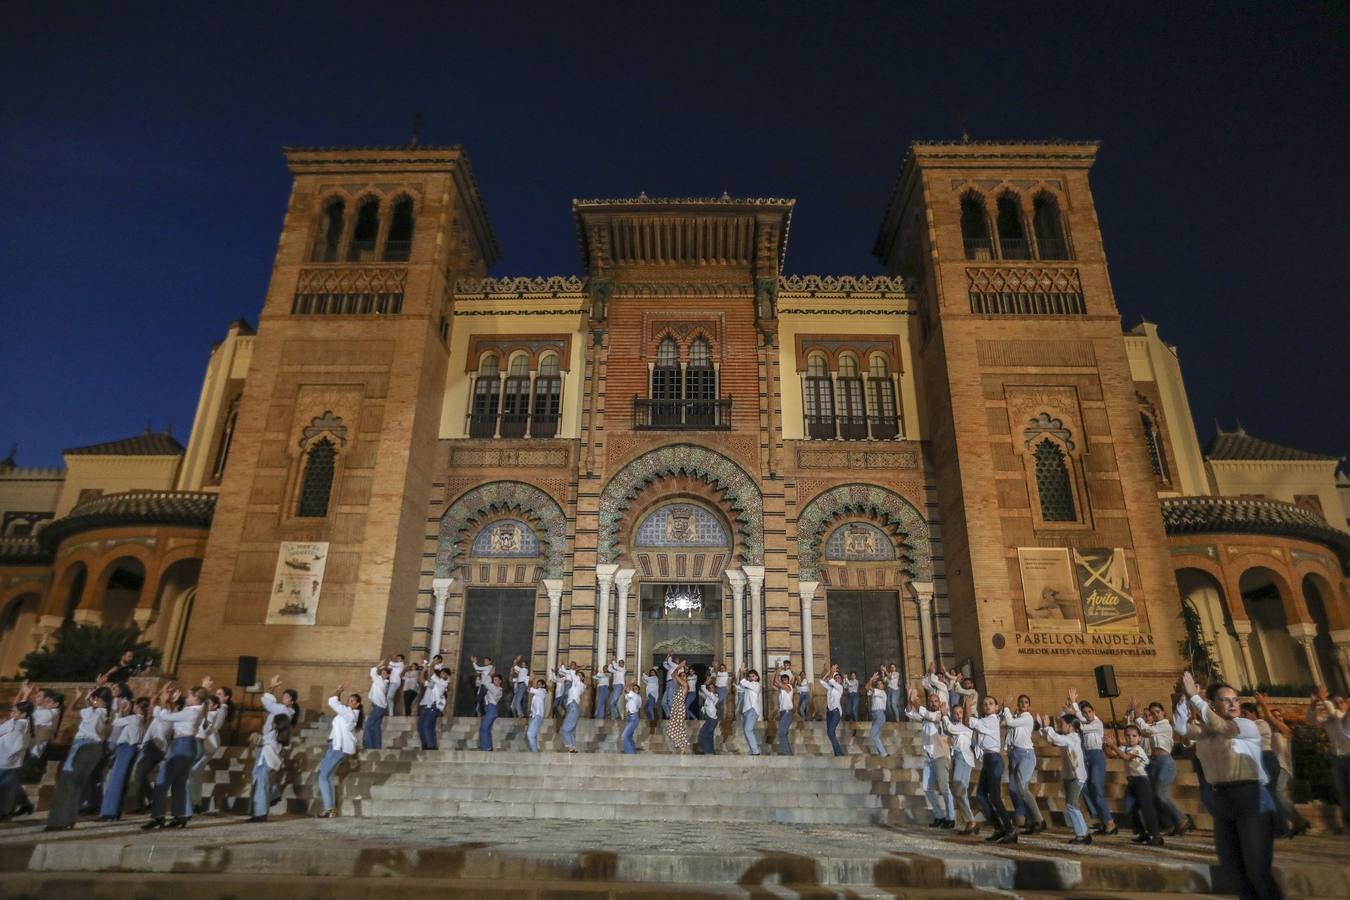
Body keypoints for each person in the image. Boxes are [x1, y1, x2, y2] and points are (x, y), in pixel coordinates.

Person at [1182, 671, 1279, 900]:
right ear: (1213, 704)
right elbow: (1189, 732)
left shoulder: (1246, 724)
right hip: (1222, 800)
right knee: (1234, 871)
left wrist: (1195, 698)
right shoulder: (1209, 731)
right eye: (1225, 700)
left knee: (1257, 870)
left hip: (1250, 798)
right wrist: (1185, 702)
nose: (1232, 703)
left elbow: (1223, 728)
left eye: (1235, 699)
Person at [44, 684, 112, 831]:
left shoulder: (94, 712)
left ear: (97, 699)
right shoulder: (103, 713)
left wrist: (79, 698)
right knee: (75, 785)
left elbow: (71, 712)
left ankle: (59, 821)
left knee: (67, 783)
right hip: (94, 748)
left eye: (93, 698)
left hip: (83, 746)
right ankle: (68, 819)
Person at [142, 682, 208, 830]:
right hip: (187, 744)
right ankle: (180, 815)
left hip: (182, 745)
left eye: (190, 695)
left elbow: (164, 717)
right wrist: (170, 702)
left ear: (197, 699)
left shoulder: (192, 711)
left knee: (162, 780)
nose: (187, 697)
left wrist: (163, 702)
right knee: (178, 783)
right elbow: (173, 716)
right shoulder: (195, 709)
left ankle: (158, 816)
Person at [1254, 692, 1308, 837]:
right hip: (1272, 768)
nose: (1278, 719)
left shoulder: (1285, 731)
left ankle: (1298, 820)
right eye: (1275, 716)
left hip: (1283, 767)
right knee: (1274, 796)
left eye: (1280, 717)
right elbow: (1263, 721)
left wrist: (1263, 704)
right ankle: (1290, 823)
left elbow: (1268, 718)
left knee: (1279, 794)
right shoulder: (1267, 733)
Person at [1131, 696, 1186, 836]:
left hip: (1164, 762)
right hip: (1153, 761)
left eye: (1157, 712)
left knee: (1161, 794)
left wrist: (1137, 715)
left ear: (1163, 713)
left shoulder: (1165, 725)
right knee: (1154, 796)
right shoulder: (1154, 726)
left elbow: (1145, 730)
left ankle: (1181, 819)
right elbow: (1143, 731)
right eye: (1152, 712)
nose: (1155, 714)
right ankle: (1169, 824)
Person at [1065, 688, 1117, 835]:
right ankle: (1099, 819)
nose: (1088, 714)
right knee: (1086, 788)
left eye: (1089, 711)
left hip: (1097, 757)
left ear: (1093, 711)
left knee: (1096, 787)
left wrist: (1075, 704)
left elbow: (1081, 725)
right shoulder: (1083, 725)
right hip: (1086, 757)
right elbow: (1073, 727)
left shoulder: (1097, 723)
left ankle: (1110, 823)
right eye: (1085, 712)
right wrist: (1070, 711)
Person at [248, 674, 298, 823]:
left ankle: (261, 812)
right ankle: (266, 802)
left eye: (287, 697)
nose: (284, 698)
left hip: (267, 754)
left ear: (292, 701)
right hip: (269, 753)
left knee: (260, 781)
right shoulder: (283, 717)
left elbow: (267, 703)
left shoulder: (283, 711)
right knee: (260, 779)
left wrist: (272, 687)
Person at [1105, 724, 1164, 846]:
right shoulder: (1124, 747)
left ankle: (1155, 836)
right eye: (1127, 736)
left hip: (1142, 782)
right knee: (1129, 807)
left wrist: (1113, 746)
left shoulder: (1138, 749)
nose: (1130, 738)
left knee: (1147, 809)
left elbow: (1126, 757)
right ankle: (1143, 833)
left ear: (1139, 738)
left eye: (1134, 736)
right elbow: (1111, 754)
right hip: (1132, 782)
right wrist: (1107, 745)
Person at [968, 695, 1016, 843]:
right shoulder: (987, 719)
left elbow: (968, 721)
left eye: (991, 704)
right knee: (981, 796)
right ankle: (999, 828)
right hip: (988, 760)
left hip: (995, 760)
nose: (987, 706)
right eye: (985, 704)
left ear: (996, 707)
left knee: (995, 797)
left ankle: (1010, 830)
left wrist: (967, 706)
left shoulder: (991, 720)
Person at [1038, 712, 1090, 845]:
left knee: (1071, 805)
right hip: (1071, 776)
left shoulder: (1073, 738)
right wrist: (1043, 727)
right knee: (1072, 805)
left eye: (1062, 724)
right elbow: (1052, 740)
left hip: (1076, 777)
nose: (1060, 726)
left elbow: (1055, 739)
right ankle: (1084, 833)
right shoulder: (1069, 737)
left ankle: (1082, 835)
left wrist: (1048, 727)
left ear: (1070, 727)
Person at [906, 686, 953, 828]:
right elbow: (909, 714)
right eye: (931, 701)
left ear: (939, 703)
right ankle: (939, 815)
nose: (933, 703)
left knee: (944, 788)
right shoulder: (925, 717)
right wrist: (910, 700)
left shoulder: (941, 715)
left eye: (935, 701)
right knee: (927, 788)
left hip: (940, 755)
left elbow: (928, 715)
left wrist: (915, 701)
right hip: (928, 757)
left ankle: (951, 818)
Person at [313, 684, 361, 818]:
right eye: (349, 700)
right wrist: (338, 694)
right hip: (333, 746)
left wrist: (338, 692)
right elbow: (337, 704)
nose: (349, 702)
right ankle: (330, 809)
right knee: (326, 776)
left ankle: (329, 808)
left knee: (323, 776)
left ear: (357, 705)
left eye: (352, 701)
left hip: (338, 749)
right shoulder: (346, 713)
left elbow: (333, 702)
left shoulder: (350, 715)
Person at [1305, 687, 1350, 829]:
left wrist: (1325, 700)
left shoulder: (1344, 716)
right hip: (1336, 758)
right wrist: (1313, 705)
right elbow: (1311, 720)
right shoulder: (1330, 717)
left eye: (1341, 702)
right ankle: (1348, 821)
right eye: (1335, 703)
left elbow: (1338, 716)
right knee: (1342, 791)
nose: (1338, 705)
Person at [1001, 694, 1043, 834]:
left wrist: (1006, 707)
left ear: (1029, 706)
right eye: (1021, 702)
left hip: (1026, 755)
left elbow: (1009, 723)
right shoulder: (1017, 718)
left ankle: (1038, 820)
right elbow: (1007, 729)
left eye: (1026, 702)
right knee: (1013, 789)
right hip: (1014, 755)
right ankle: (1024, 819)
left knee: (1022, 789)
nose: (1023, 704)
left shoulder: (1027, 717)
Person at [187, 691, 227, 815]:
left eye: (208, 703)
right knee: (195, 775)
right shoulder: (208, 714)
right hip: (206, 746)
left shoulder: (211, 715)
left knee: (192, 774)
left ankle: (192, 803)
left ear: (215, 706)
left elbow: (206, 729)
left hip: (206, 746)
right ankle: (196, 803)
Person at [942, 703, 977, 834]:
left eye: (960, 712)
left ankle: (971, 821)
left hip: (963, 757)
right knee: (960, 792)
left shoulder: (965, 727)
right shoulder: (957, 727)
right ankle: (970, 822)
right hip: (958, 758)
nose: (958, 715)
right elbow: (947, 729)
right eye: (955, 713)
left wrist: (945, 715)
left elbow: (949, 728)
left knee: (958, 789)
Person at [0, 693, 33, 819]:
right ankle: (24, 805)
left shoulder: (17, 724)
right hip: (12, 762)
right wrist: (25, 694)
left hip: (6, 762)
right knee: (10, 788)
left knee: (6, 789)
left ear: (23, 714)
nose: (11, 715)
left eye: (14, 712)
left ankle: (6, 812)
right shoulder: (25, 722)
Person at [417, 663, 449, 750]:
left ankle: (430, 746)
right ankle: (429, 744)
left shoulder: (437, 684)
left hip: (430, 708)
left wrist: (429, 666)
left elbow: (425, 678)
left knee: (425, 727)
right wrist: (424, 670)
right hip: (428, 707)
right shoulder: (435, 684)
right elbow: (421, 680)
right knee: (425, 727)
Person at [557, 663, 586, 752]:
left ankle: (570, 747)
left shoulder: (580, 684)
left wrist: (578, 668)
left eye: (580, 675)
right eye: (578, 675)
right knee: (571, 731)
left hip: (573, 707)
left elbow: (573, 674)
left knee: (565, 729)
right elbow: (569, 676)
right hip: (572, 707)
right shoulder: (574, 685)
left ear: (583, 678)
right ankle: (573, 748)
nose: (577, 676)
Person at [665, 661, 691, 753]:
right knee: (674, 729)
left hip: (679, 708)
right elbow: (673, 675)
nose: (683, 677)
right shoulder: (679, 686)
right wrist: (678, 668)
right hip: (675, 709)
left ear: (686, 678)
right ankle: (682, 746)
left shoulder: (685, 685)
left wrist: (679, 667)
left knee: (676, 728)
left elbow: (675, 676)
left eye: (684, 675)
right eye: (681, 676)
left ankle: (682, 746)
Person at [363, 661, 391, 749]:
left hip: (378, 708)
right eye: (381, 673)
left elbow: (372, 673)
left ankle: (368, 746)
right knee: (375, 727)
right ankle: (377, 746)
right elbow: (375, 676)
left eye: (384, 673)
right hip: (379, 707)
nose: (382, 674)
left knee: (368, 725)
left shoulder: (382, 682)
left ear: (387, 675)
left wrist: (378, 666)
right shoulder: (380, 681)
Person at [820, 666, 845, 756]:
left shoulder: (839, 688)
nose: (837, 679)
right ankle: (837, 753)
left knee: (830, 732)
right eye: (836, 678)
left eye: (839, 678)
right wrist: (830, 671)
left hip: (836, 712)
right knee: (831, 733)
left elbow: (830, 680)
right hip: (829, 713)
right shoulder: (830, 688)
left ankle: (839, 754)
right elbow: (822, 681)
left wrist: (832, 671)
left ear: (841, 681)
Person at [738, 668, 762, 755]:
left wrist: (741, 672)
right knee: (746, 731)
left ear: (757, 677)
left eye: (753, 676)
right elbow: (740, 687)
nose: (751, 678)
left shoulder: (756, 684)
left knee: (748, 730)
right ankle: (753, 750)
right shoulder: (747, 686)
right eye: (749, 676)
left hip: (752, 710)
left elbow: (743, 682)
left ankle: (756, 751)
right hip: (746, 711)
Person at [865, 674, 889, 758]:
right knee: (876, 735)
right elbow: (867, 687)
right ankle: (880, 752)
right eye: (878, 684)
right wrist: (871, 679)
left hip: (880, 715)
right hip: (874, 715)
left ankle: (883, 753)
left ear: (883, 686)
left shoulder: (882, 692)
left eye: (881, 684)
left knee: (872, 734)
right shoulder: (875, 691)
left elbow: (870, 688)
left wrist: (872, 679)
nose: (879, 685)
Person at [479, 672, 503, 751]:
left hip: (492, 708)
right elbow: (484, 682)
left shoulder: (498, 690)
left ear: (500, 681)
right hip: (488, 708)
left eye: (496, 680)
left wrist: (489, 675)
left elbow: (486, 683)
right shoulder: (492, 686)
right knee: (487, 729)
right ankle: (489, 747)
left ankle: (485, 748)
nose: (494, 681)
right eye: (494, 680)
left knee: (483, 728)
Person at [774, 672, 795, 756]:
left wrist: (777, 670)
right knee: (783, 734)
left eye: (785, 680)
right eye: (783, 680)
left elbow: (777, 682)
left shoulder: (789, 687)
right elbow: (774, 683)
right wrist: (776, 674)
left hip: (787, 713)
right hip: (782, 713)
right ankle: (788, 753)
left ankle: (788, 754)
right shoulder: (781, 690)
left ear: (788, 680)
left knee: (781, 733)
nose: (784, 681)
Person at [697, 677, 719, 754]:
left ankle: (707, 751)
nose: (711, 689)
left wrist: (705, 683)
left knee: (703, 735)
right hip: (709, 719)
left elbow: (704, 690)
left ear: (715, 689)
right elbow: (700, 692)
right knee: (709, 737)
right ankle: (711, 752)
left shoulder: (714, 697)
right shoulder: (708, 697)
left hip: (712, 720)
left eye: (712, 688)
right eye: (709, 688)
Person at [526, 677, 548, 752]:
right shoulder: (538, 694)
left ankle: (534, 752)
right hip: (535, 715)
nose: (538, 685)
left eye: (539, 684)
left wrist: (531, 680)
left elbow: (529, 689)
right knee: (533, 734)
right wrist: (531, 712)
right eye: (537, 684)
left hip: (538, 716)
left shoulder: (541, 691)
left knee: (530, 734)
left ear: (543, 685)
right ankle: (534, 751)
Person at [621, 681, 641, 754]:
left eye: (636, 688)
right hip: (630, 717)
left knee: (624, 736)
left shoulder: (635, 696)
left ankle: (630, 753)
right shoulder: (632, 696)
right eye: (634, 688)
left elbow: (627, 690)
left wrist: (631, 683)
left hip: (633, 718)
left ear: (638, 691)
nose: (635, 689)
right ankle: (632, 752)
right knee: (629, 737)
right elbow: (625, 692)